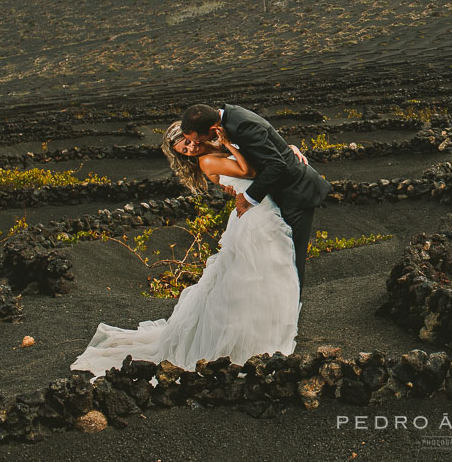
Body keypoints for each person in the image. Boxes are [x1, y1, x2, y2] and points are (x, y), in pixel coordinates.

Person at [70, 121, 300, 377]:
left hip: (259, 209)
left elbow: (258, 156)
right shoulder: (207, 161)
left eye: (189, 141)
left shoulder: (217, 146)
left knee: (262, 276)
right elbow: (249, 171)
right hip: (254, 216)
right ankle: (250, 341)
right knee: (252, 277)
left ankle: (261, 333)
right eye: (184, 149)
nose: (190, 148)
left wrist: (285, 149)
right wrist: (230, 147)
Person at [180, 102, 331, 290]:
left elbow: (275, 164)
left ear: (213, 129)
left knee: (291, 259)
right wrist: (284, 147)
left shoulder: (240, 125)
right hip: (276, 195)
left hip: (295, 191)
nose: (197, 145)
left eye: (200, 139)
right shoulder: (229, 118)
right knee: (277, 257)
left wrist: (247, 198)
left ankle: (291, 314)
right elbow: (261, 146)